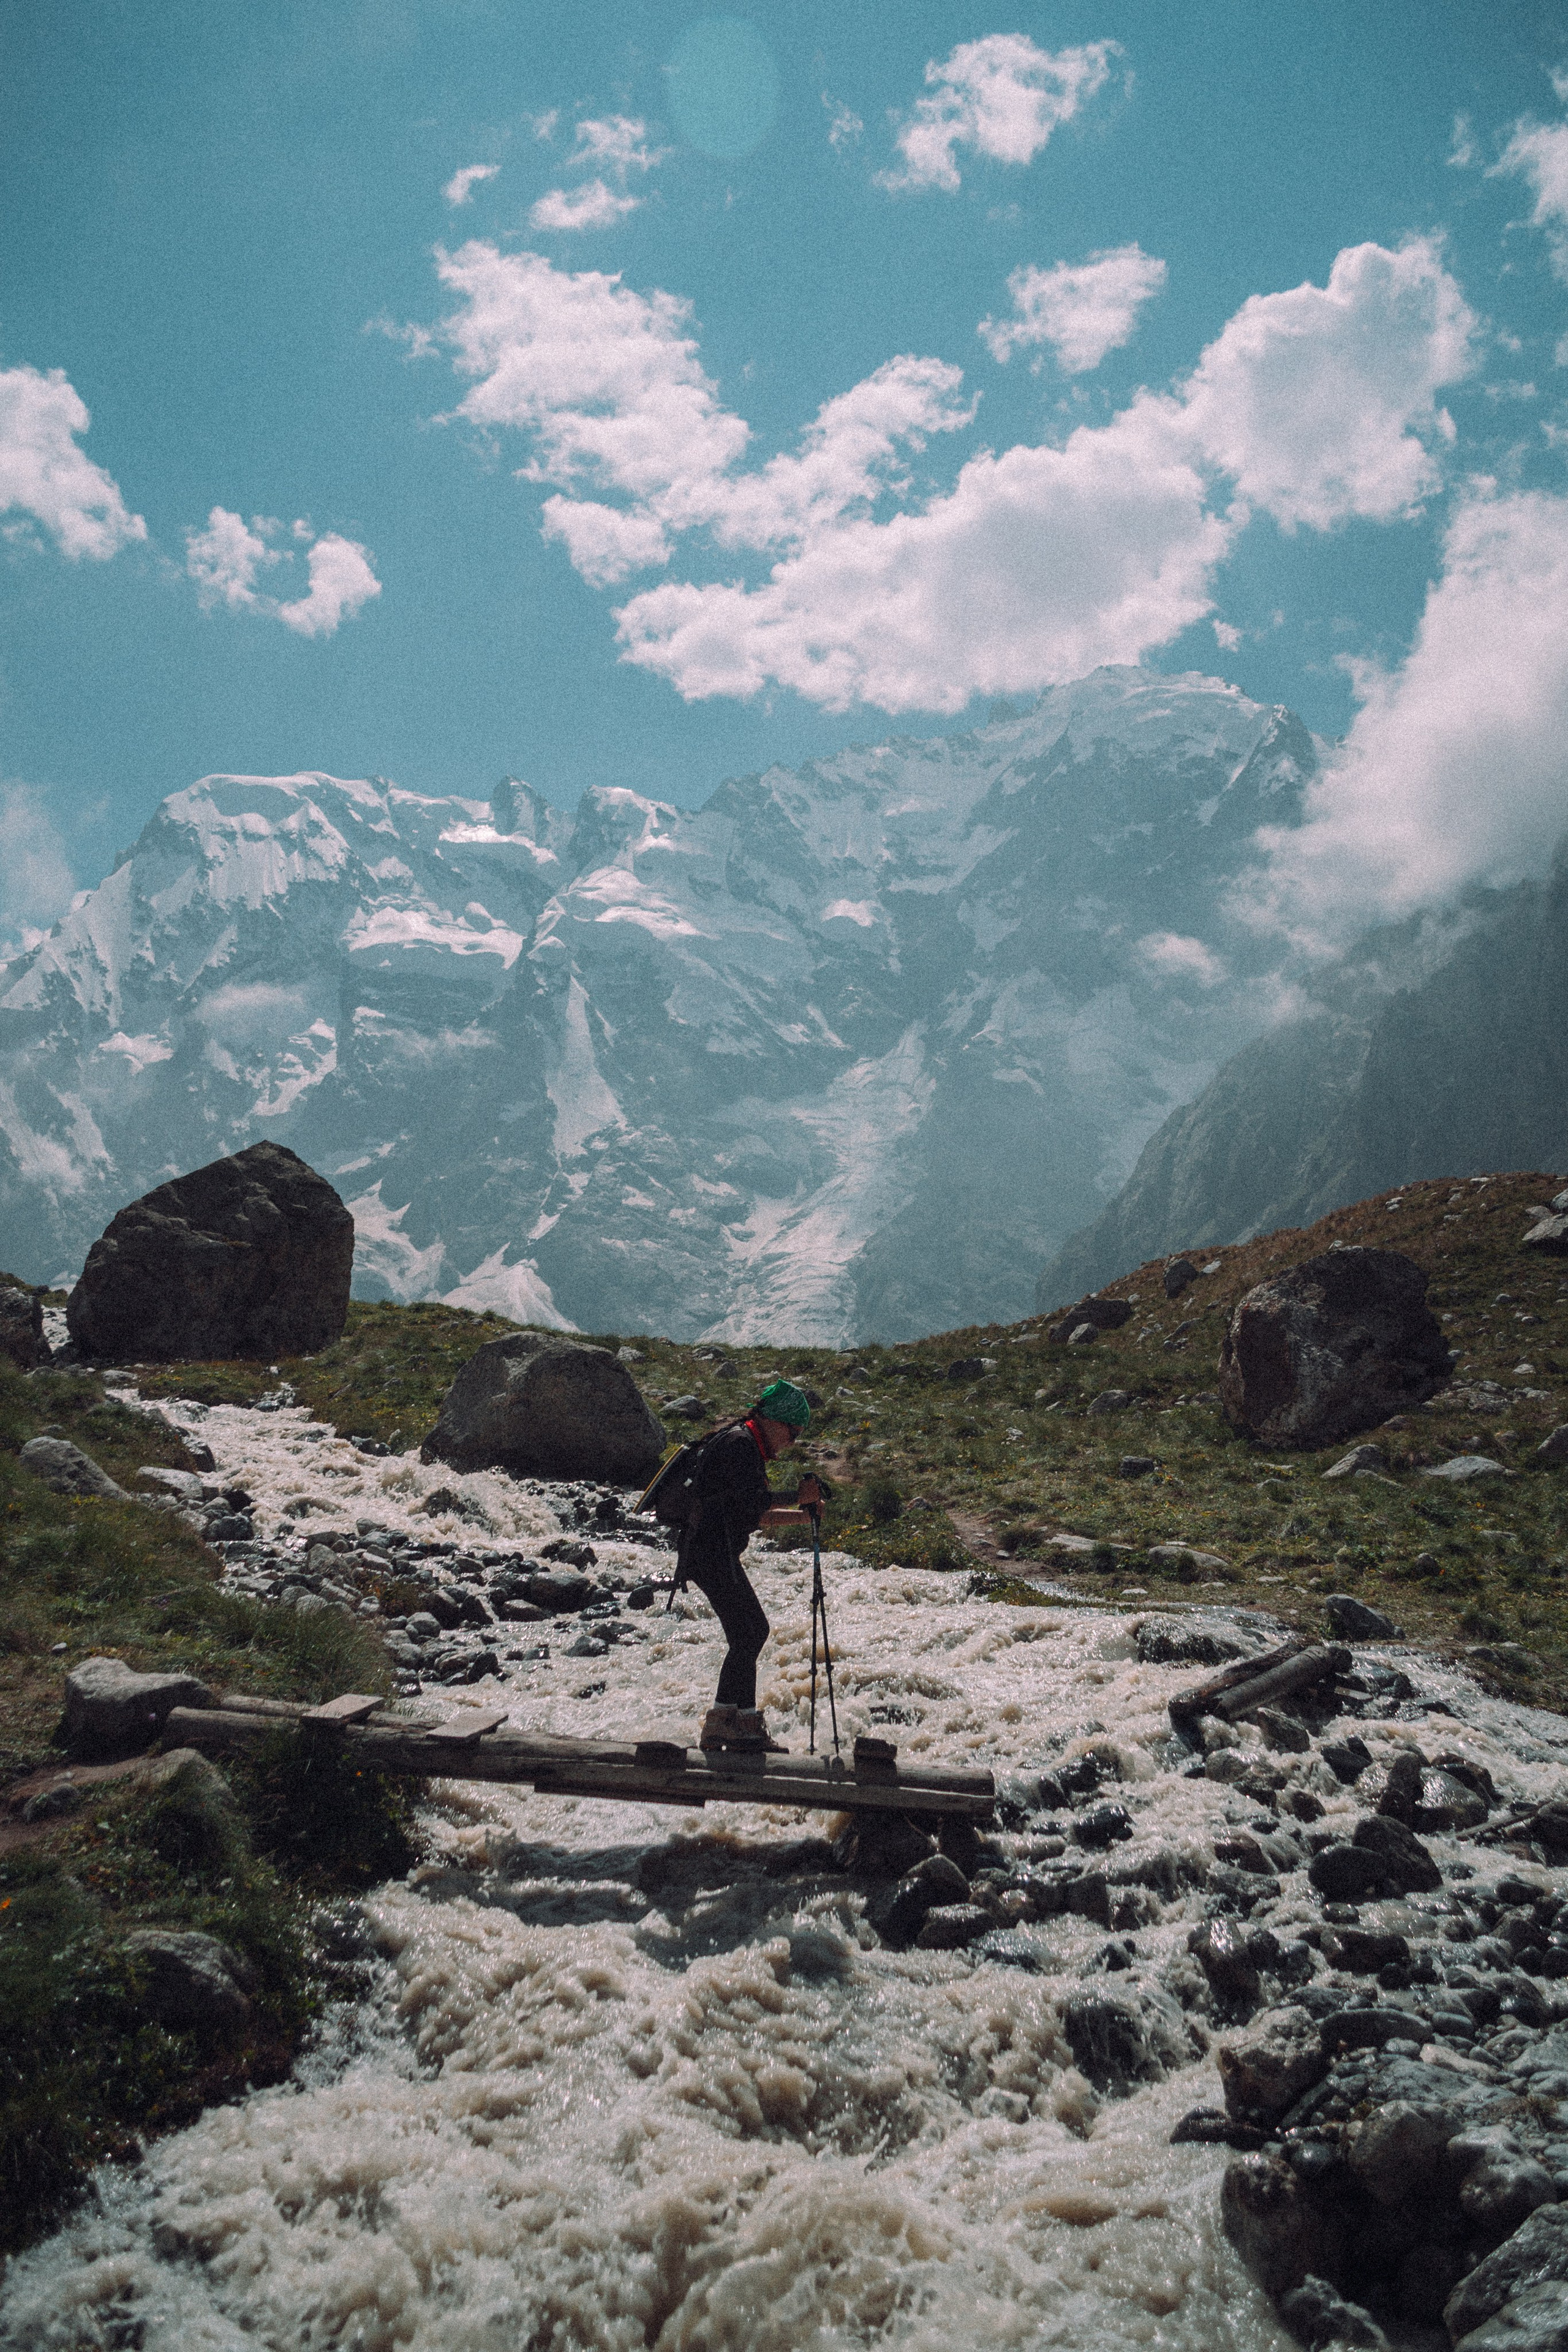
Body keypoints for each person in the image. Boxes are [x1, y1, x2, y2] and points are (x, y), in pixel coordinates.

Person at [676, 1377, 824, 1752]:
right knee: (751, 1632)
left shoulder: (744, 1444)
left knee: (749, 1632)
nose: (793, 1441)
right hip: (710, 1553)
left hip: (709, 1551)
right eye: (793, 1432)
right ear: (773, 1420)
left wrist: (803, 1515)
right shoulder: (741, 1446)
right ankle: (728, 1725)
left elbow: (755, 1514)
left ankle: (738, 1723)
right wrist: (798, 1496)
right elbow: (754, 1503)